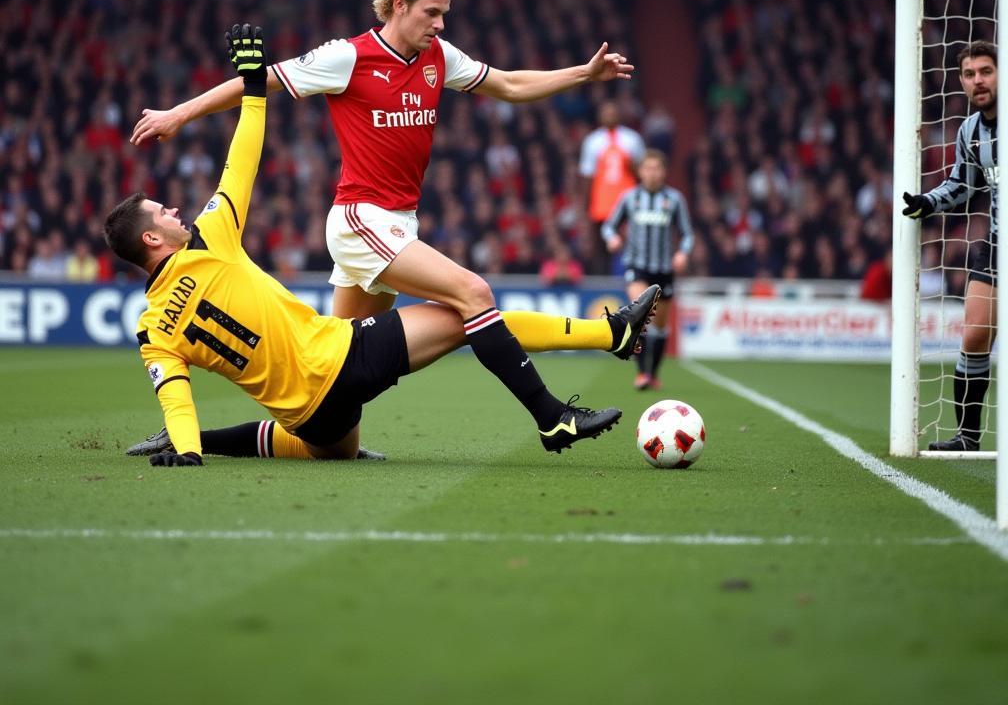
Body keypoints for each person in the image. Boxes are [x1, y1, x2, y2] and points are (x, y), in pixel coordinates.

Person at [110, 24, 661, 466]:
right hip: (359, 228)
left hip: (314, 401)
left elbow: (511, 85)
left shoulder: (153, 326)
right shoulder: (213, 239)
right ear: (400, 5)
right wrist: (223, 99)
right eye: (433, 11)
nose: (441, 21)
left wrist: (186, 445)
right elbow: (246, 149)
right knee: (469, 305)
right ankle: (582, 372)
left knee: (333, 447)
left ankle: (198, 440)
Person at [902, 40, 998, 452]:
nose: (979, 81)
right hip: (998, 242)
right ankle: (967, 437)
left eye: (986, 71)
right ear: (961, 81)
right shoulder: (970, 130)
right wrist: (928, 200)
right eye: (970, 74)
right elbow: (962, 184)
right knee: (975, 335)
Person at [601, 149, 692, 390]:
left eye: (657, 168)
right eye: (647, 168)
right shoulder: (630, 198)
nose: (652, 173)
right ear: (640, 171)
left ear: (664, 172)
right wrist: (612, 238)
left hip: (663, 270)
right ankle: (641, 374)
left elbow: (687, 234)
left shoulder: (674, 200)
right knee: (640, 316)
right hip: (637, 267)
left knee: (660, 326)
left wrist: (682, 253)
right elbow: (608, 226)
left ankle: (653, 373)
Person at [578, 100, 645, 269]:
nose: (609, 116)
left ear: (619, 115)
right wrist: (586, 206)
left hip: (628, 201)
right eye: (605, 113)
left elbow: (642, 171)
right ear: (600, 116)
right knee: (601, 247)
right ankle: (602, 282)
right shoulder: (592, 141)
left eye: (612, 112)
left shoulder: (632, 139)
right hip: (602, 204)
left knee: (631, 243)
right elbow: (587, 176)